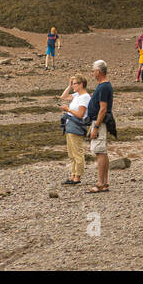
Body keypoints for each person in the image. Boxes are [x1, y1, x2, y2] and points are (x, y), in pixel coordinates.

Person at [85, 60, 115, 193]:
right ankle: (105, 182)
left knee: (100, 151)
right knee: (102, 151)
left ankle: (101, 183)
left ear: (99, 71)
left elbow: (103, 109)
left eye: (93, 70)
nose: (92, 73)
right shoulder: (102, 86)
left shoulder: (103, 87)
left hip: (100, 122)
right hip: (99, 121)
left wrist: (96, 126)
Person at [58, 74, 90, 185]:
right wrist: (69, 85)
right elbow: (63, 97)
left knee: (77, 152)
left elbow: (81, 114)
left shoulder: (85, 97)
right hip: (70, 125)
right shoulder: (77, 95)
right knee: (71, 153)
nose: (73, 86)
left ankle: (77, 176)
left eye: (75, 84)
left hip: (77, 125)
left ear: (81, 84)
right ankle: (73, 175)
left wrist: (67, 109)